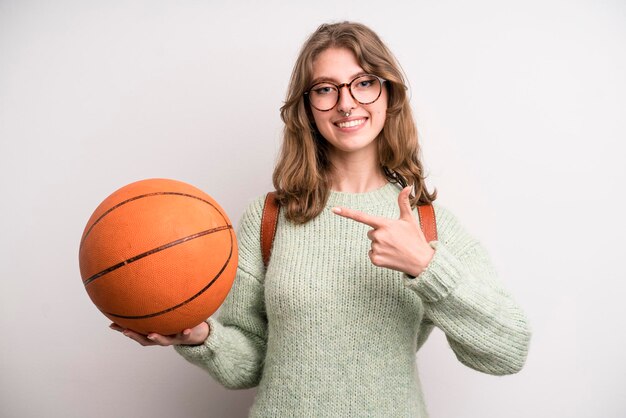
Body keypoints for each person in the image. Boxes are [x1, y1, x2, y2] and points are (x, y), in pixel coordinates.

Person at [111, 21, 531, 417]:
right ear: (307, 107)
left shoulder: (427, 225)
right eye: (326, 89)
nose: (347, 103)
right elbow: (252, 366)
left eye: (364, 83)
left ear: (389, 95)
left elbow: (508, 350)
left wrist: (427, 267)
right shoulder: (270, 217)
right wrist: (200, 336)